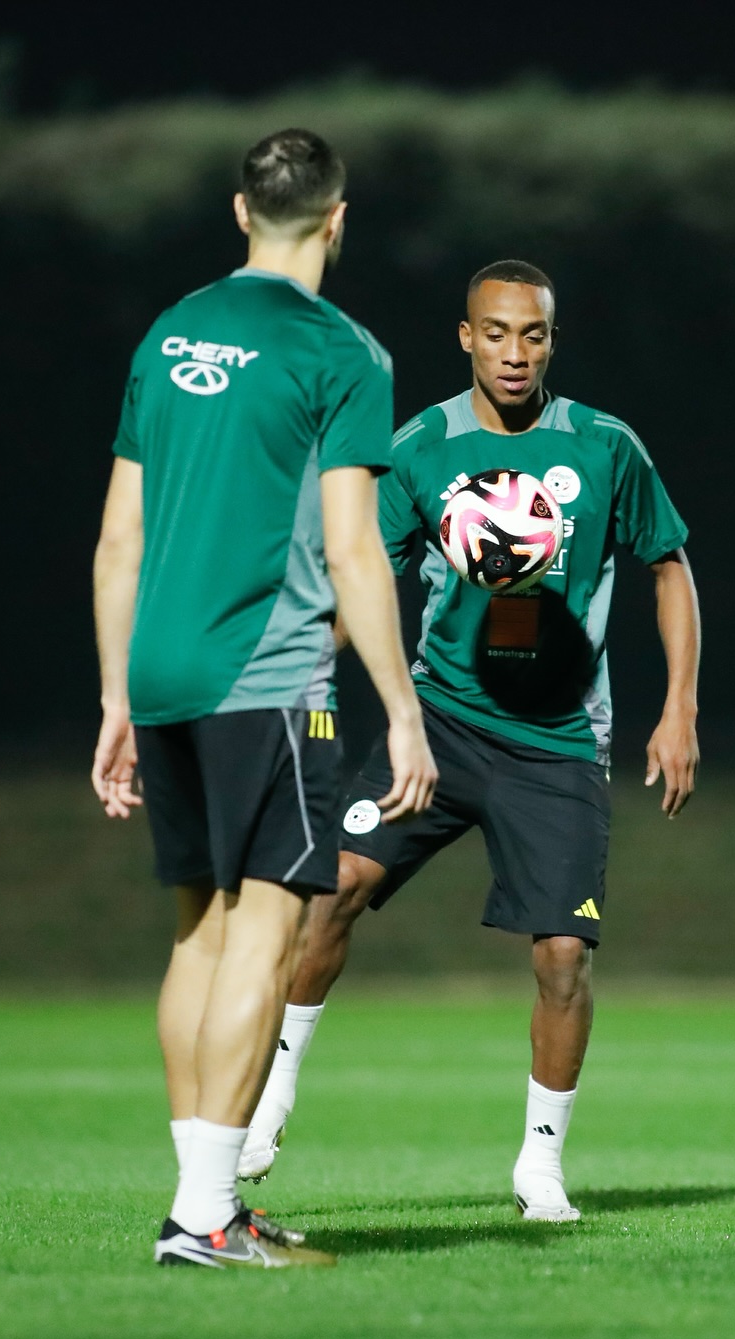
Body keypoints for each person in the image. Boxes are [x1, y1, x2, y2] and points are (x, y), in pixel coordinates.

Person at [239, 260, 701, 1221]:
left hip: (558, 743)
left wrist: (680, 709)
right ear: (466, 338)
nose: (514, 352)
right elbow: (363, 577)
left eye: (532, 334)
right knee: (333, 891)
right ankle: (272, 1095)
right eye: (496, 333)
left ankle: (540, 1164)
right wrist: (297, 677)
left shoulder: (605, 446)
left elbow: (670, 566)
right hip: (440, 725)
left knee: (563, 956)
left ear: (553, 342)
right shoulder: (419, 449)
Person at [91, 129, 438, 1268]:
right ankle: (204, 1216)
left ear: (241, 212)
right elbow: (354, 549)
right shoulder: (343, 352)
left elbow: (119, 540)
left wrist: (116, 698)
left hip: (163, 673)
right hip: (270, 676)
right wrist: (402, 709)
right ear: (338, 220)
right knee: (266, 927)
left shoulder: (169, 332)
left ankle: (206, 1204)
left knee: (198, 929)